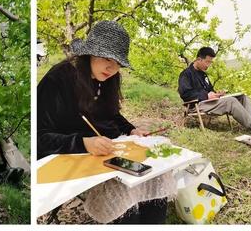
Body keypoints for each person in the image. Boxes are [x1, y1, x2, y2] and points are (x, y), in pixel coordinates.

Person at [37, 20, 172, 224]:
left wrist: (131, 129)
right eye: (106, 58)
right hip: (69, 157)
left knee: (154, 179)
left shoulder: (109, 78)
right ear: (89, 53)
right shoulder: (58, 79)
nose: (111, 67)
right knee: (125, 204)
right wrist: (83, 142)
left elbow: (111, 114)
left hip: (108, 152)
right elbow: (39, 137)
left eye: (118, 63)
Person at [178, 46, 251, 136]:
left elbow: (210, 90)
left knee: (242, 97)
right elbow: (185, 94)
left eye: (210, 62)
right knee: (231, 101)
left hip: (209, 103)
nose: (208, 65)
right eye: (207, 62)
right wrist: (206, 96)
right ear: (199, 59)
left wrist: (217, 94)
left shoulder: (203, 74)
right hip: (197, 105)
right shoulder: (186, 74)